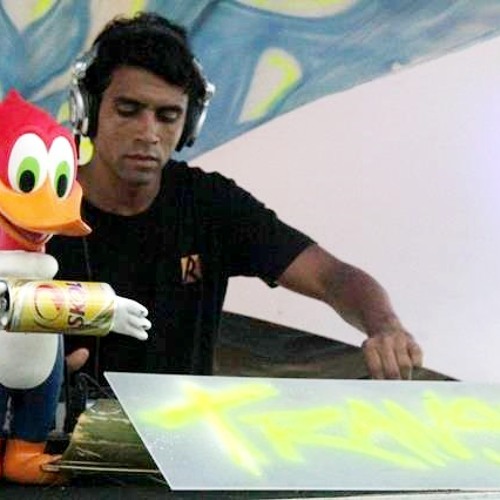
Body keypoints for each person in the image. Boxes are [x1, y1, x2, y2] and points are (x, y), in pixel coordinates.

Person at [48, 11, 423, 391]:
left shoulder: (211, 204)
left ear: (189, 123)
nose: (149, 133)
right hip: (54, 427)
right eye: (128, 110)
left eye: (168, 116)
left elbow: (331, 276)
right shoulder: (39, 209)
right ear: (88, 109)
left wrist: (385, 326)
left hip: (177, 426)